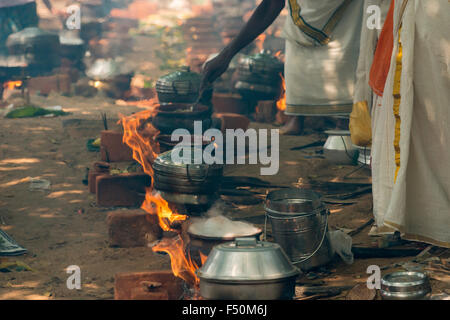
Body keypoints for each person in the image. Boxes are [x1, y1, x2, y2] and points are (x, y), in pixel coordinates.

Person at [201, 0, 364, 135]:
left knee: (343, 64)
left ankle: (343, 123)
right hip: (300, 27)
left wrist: (227, 54)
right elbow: (271, 4)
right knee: (299, 60)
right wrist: (226, 54)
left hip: (346, 23)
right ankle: (296, 118)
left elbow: (271, 5)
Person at [366, 0, 449, 247]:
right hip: (423, 20)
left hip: (432, 21)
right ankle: (419, 217)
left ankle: (428, 220)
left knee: (431, 112)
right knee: (423, 112)